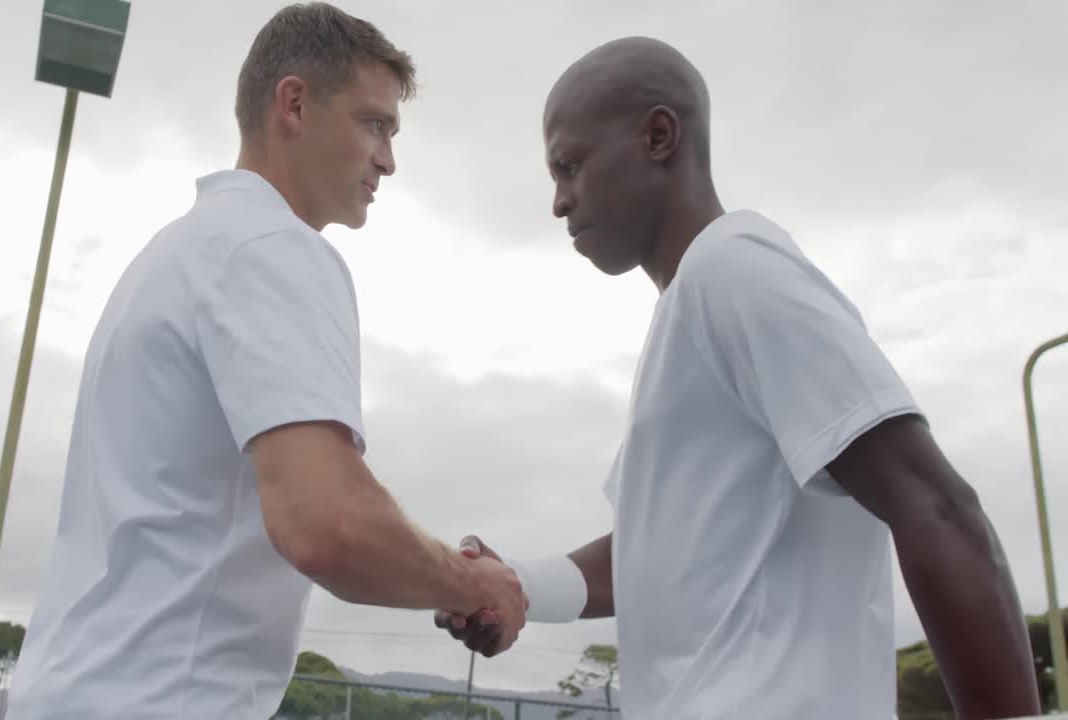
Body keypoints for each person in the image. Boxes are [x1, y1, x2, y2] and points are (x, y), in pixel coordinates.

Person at [435, 37, 1040, 720]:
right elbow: (651, 553)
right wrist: (516, 585)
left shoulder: (735, 267)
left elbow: (935, 505)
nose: (558, 201)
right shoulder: (691, 308)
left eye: (570, 165)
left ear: (659, 136)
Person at [6, 4, 525, 718]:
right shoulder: (272, 249)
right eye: (374, 124)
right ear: (295, 103)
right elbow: (328, 524)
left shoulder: (177, 252)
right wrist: (474, 586)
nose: (388, 160)